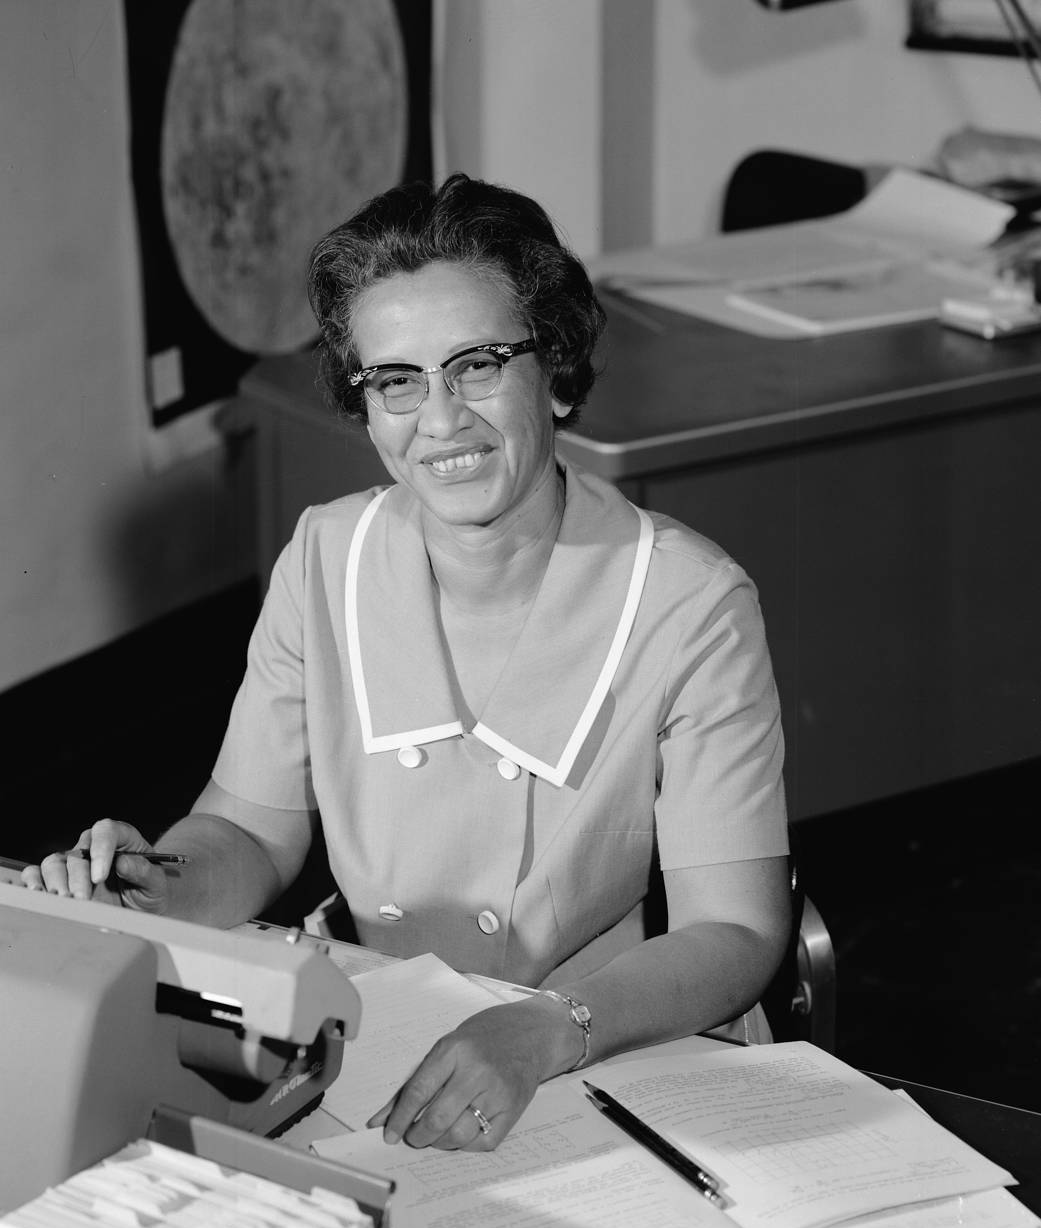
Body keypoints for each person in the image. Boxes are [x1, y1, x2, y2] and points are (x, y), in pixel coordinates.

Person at [21, 173, 791, 1152]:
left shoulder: (689, 601)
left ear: (553, 368)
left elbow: (737, 932)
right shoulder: (325, 557)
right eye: (397, 380)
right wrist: (148, 887)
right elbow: (250, 836)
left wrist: (547, 1029)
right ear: (367, 405)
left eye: (477, 366)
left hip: (606, 1039)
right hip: (377, 1034)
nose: (441, 418)